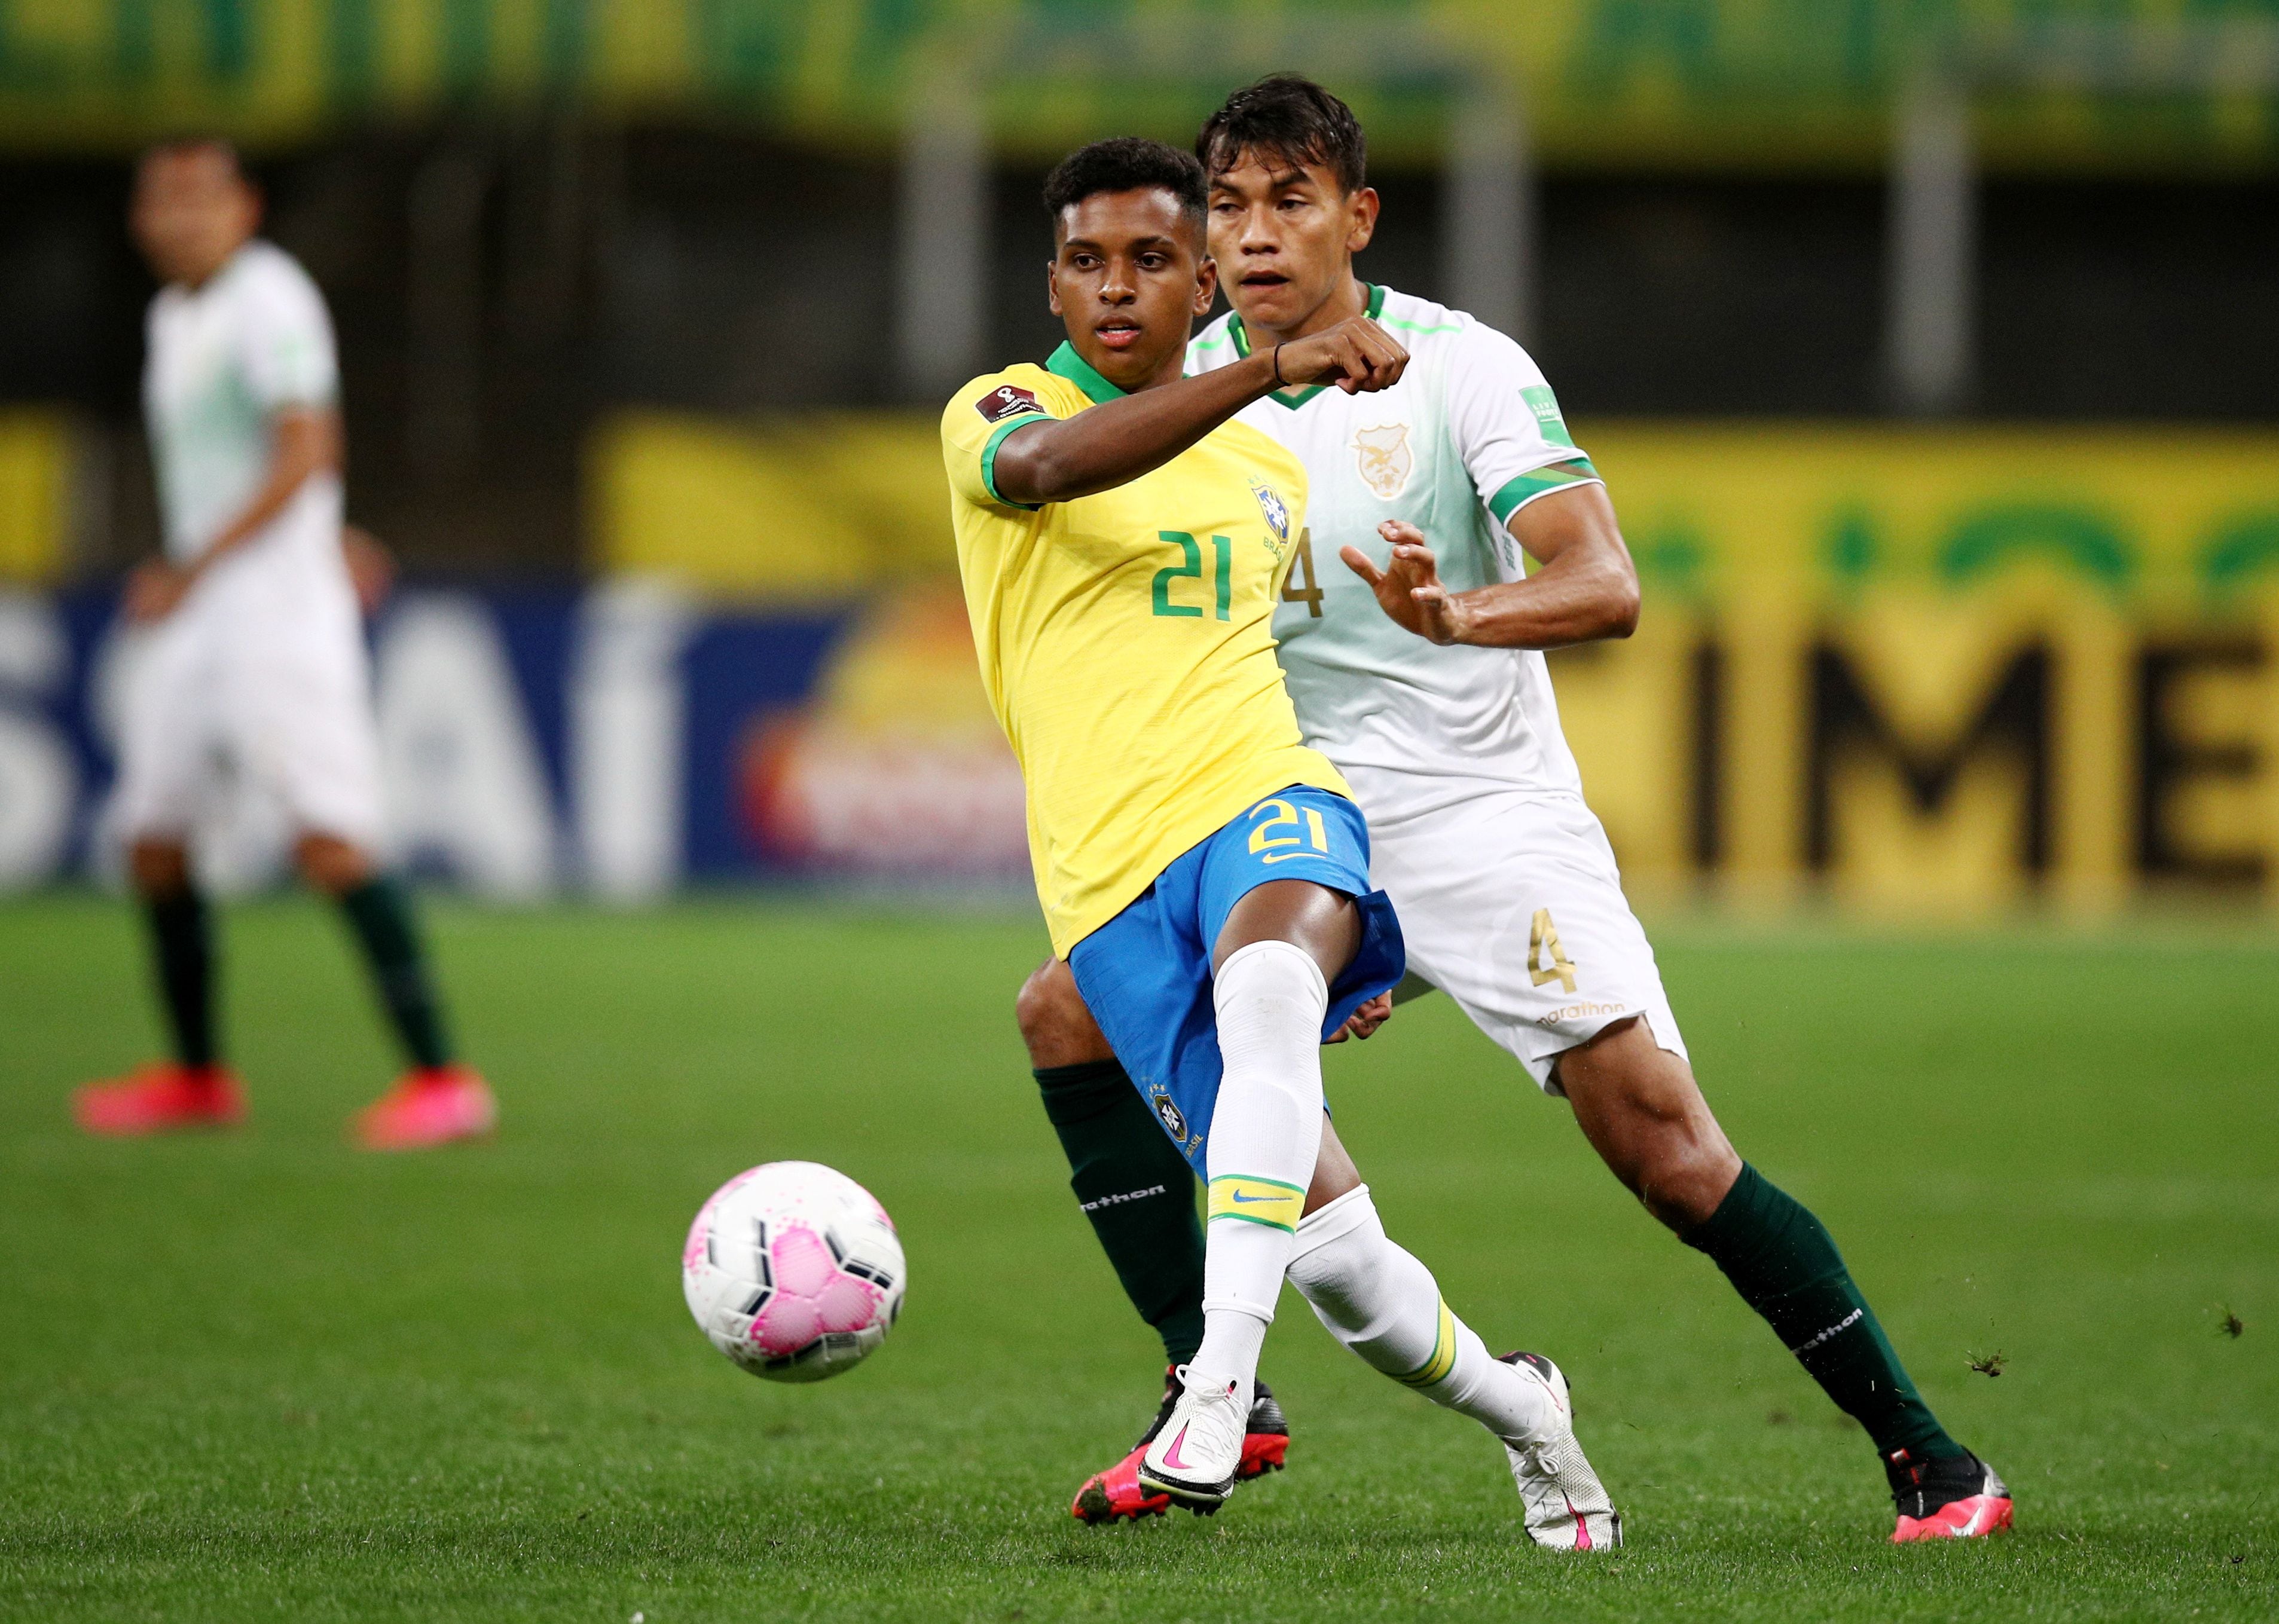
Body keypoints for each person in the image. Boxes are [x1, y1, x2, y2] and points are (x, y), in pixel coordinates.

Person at [1031, 78, 2012, 1545]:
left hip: (1476, 810)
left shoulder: (1456, 368)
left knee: (1663, 1144)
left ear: (1357, 216)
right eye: (1226, 206)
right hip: (1281, 814)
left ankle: (1929, 1457)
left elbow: (1603, 582)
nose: (1251, 235)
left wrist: (1457, 609)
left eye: (1289, 200)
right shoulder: (1181, 389)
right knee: (1067, 1013)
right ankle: (1213, 1392)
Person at [943, 136, 1621, 1547]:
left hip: (1267, 802)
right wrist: (1269, 366)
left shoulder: (1262, 468)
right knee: (1350, 1276)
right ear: (1051, 286)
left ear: (1201, 280)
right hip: (1112, 881)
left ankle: (1207, 1394)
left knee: (1267, 999)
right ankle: (1526, 1413)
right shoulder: (997, 411)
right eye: (1085, 262)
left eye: (1149, 261)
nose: (1116, 290)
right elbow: (1057, 466)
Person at [71, 139, 497, 1151]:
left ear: (245, 208)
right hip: (205, 613)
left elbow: (307, 448)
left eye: (200, 197)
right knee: (154, 839)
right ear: (140, 218)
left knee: (328, 839)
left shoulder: (271, 298)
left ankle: (444, 1078)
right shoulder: (176, 315)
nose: (180, 217)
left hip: (271, 618)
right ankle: (196, 1075)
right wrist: (319, 534)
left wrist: (194, 563)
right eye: (161, 198)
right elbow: (254, 469)